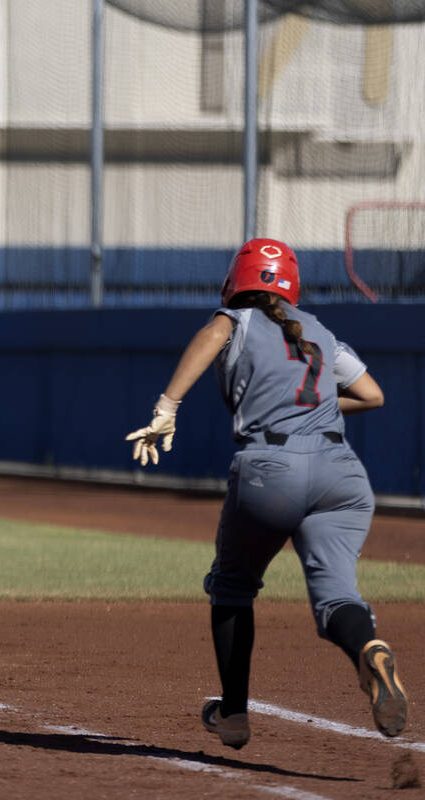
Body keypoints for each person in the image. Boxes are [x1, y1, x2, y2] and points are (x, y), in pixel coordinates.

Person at [125, 238, 408, 749]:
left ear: (237, 281)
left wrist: (167, 407)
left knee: (232, 586)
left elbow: (213, 333)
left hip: (271, 469)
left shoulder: (238, 319)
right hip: (342, 474)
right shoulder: (319, 331)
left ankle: (233, 716)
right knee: (338, 599)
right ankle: (369, 647)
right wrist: (312, 411)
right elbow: (373, 394)